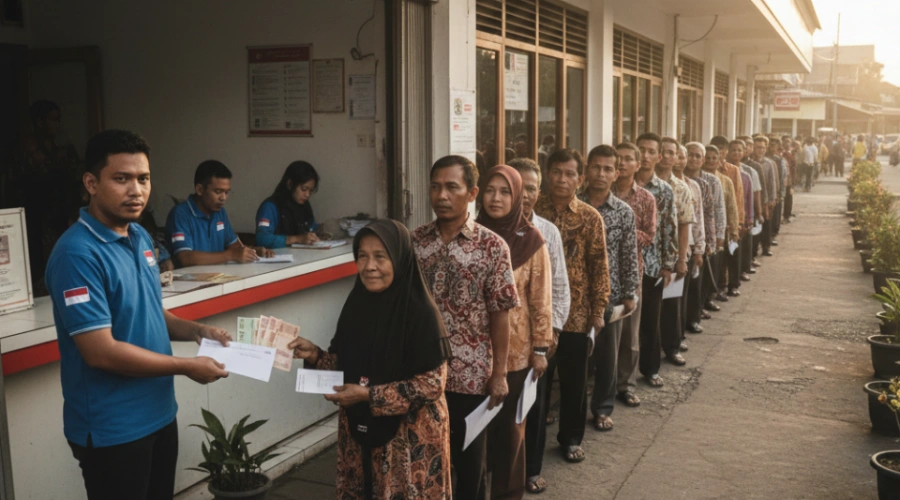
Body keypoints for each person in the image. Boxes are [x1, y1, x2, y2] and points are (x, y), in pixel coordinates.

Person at [45, 130, 231, 500]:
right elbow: (100, 352)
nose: (136, 190)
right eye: (121, 178)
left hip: (159, 413)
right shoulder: (77, 254)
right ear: (91, 183)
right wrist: (186, 367)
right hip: (113, 428)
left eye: (143, 179)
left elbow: (150, 311)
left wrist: (197, 330)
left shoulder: (140, 238)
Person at [289, 219, 452, 499]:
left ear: (400, 259)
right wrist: (315, 355)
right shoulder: (356, 305)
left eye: (380, 256)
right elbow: (345, 365)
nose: (369, 266)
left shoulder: (420, 312)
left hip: (408, 441)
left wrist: (368, 395)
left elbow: (432, 384)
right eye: (362, 256)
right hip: (358, 433)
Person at [412, 155, 519, 499]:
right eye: (435, 186)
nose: (441, 195)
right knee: (423, 460)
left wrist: (499, 373)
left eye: (451, 187)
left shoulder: (492, 247)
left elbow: (501, 313)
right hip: (420, 373)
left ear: (471, 193)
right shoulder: (414, 243)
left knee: (470, 465)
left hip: (471, 376)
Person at [477, 165, 552, 500]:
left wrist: (540, 350)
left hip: (517, 356)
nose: (496, 198)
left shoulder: (532, 240)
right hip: (472, 354)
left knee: (511, 435)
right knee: (474, 438)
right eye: (490, 190)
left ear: (518, 196)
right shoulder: (471, 233)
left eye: (505, 192)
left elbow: (541, 299)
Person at [534, 148, 610, 463]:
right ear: (546, 174)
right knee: (538, 384)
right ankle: (533, 442)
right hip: (538, 315)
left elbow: (599, 266)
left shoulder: (590, 217)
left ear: (580, 179)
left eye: (569, 174)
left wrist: (598, 310)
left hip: (577, 316)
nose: (562, 179)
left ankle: (570, 438)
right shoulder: (534, 210)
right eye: (556, 172)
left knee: (574, 382)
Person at [508, 158, 570, 495]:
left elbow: (559, 286)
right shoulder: (487, 229)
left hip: (536, 339)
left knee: (533, 405)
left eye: (531, 187)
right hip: (499, 342)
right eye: (518, 186)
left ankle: (531, 470)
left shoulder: (547, 232)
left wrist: (551, 333)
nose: (525, 194)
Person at [580, 145, 639, 431]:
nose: (600, 174)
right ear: (587, 169)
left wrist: (629, 294)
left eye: (607, 169)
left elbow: (629, 254)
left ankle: (602, 408)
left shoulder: (623, 212)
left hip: (610, 296)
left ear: (616, 174)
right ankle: (570, 407)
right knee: (576, 357)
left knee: (607, 357)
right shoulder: (572, 204)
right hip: (575, 296)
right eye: (596, 167)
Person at [612, 141, 657, 407]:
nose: (622, 163)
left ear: (637, 165)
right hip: (601, 273)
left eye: (628, 159)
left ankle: (626, 385)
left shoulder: (645, 198)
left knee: (630, 334)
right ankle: (600, 381)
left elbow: (649, 236)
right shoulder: (597, 193)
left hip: (630, 272)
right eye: (618, 158)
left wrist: (619, 232)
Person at [165, 160, 273, 267]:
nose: (223, 198)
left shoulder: (219, 213)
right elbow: (185, 257)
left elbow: (235, 247)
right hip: (190, 282)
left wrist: (254, 251)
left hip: (218, 278)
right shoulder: (180, 214)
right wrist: (230, 255)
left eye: (226, 192)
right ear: (200, 189)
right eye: (218, 192)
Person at [633, 133, 676, 388]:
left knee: (650, 321)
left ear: (659, 157)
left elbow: (668, 228)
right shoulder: (619, 185)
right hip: (622, 267)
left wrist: (668, 264)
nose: (646, 156)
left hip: (651, 265)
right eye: (642, 150)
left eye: (651, 151)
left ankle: (650, 369)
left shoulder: (664, 190)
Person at [655, 137, 694, 366]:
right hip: (647, 260)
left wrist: (681, 259)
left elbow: (685, 224)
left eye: (672, 152)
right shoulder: (639, 185)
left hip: (671, 258)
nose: (667, 156)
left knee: (671, 306)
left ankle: (671, 348)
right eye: (663, 151)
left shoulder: (680, 188)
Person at [683, 142, 718, 325]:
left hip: (698, 237)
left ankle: (694, 318)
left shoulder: (704, 185)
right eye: (690, 154)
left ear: (702, 160)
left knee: (696, 282)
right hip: (683, 240)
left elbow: (709, 214)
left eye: (697, 156)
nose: (693, 159)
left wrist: (707, 243)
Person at [675, 145, 706, 337]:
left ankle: (679, 335)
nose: (679, 160)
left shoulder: (693, 186)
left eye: (681, 157)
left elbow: (699, 219)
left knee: (681, 296)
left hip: (687, 248)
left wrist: (699, 248)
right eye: (675, 155)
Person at [256, 161, 323, 248]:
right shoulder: (270, 206)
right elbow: (262, 239)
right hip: (277, 257)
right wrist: (297, 239)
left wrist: (325, 229)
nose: (307, 194)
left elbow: (311, 227)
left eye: (310, 191)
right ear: (290, 184)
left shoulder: (304, 205)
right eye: (303, 189)